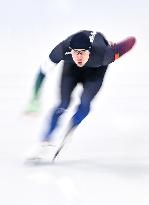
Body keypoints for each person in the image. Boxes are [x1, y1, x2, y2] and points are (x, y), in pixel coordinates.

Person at [26, 30, 136, 162]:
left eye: (82, 52)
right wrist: (34, 98)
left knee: (85, 102)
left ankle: (73, 123)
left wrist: (115, 47)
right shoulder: (61, 50)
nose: (78, 56)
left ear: (89, 51)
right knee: (63, 103)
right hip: (71, 70)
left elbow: (131, 41)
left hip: (95, 72)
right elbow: (42, 73)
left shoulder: (105, 54)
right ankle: (45, 140)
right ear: (70, 50)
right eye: (75, 52)